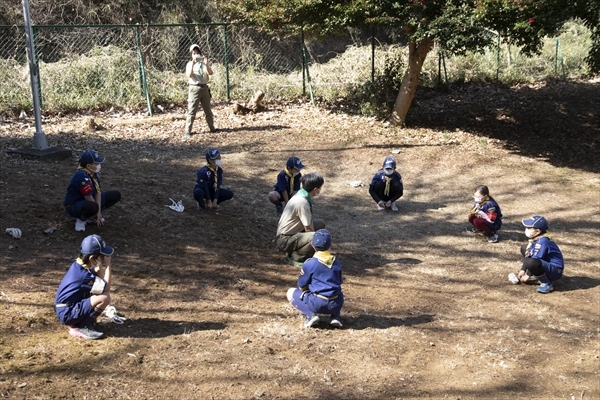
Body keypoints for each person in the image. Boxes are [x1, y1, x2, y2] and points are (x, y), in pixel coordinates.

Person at [54, 234, 114, 340]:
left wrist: (99, 265)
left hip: (68, 309)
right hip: (67, 313)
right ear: (92, 258)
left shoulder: (80, 267)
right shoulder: (83, 275)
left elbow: (99, 285)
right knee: (105, 297)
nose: (104, 258)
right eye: (101, 257)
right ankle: (82, 326)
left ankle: (83, 322)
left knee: (100, 295)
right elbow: (106, 288)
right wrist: (108, 266)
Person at [286, 229, 344, 328]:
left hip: (318, 303)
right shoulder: (336, 262)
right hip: (336, 304)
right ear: (331, 245)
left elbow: (301, 285)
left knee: (290, 293)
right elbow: (339, 282)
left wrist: (309, 289)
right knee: (338, 291)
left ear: (312, 244)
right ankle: (335, 316)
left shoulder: (310, 263)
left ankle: (310, 315)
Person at [63, 150, 121, 232]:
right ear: (88, 165)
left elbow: (98, 192)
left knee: (115, 195)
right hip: (74, 204)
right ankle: (81, 219)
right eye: (96, 164)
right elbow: (88, 197)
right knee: (93, 206)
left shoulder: (92, 173)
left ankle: (91, 214)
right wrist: (97, 212)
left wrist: (98, 211)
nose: (98, 166)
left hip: (88, 200)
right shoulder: (81, 176)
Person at [276, 172, 326, 266]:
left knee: (320, 224)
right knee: (316, 236)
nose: (320, 190)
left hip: (292, 234)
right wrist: (320, 249)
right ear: (315, 189)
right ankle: (296, 256)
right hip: (284, 240)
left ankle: (299, 248)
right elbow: (308, 229)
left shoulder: (301, 195)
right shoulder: (302, 202)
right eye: (319, 188)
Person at [508, 215, 564, 294]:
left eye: (529, 228)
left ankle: (547, 283)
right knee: (524, 248)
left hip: (555, 271)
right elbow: (528, 253)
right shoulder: (538, 238)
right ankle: (538, 274)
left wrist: (527, 275)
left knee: (532, 263)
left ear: (537, 231)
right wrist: (523, 269)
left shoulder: (542, 242)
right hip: (546, 264)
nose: (526, 230)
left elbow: (532, 260)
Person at [184, 44, 216, 136]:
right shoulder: (189, 64)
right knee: (192, 111)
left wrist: (206, 64)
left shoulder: (203, 64)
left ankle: (212, 128)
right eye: (194, 53)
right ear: (191, 54)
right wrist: (193, 63)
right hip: (194, 88)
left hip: (204, 88)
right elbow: (189, 75)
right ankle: (188, 131)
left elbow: (210, 73)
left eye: (197, 53)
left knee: (208, 111)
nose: (196, 55)